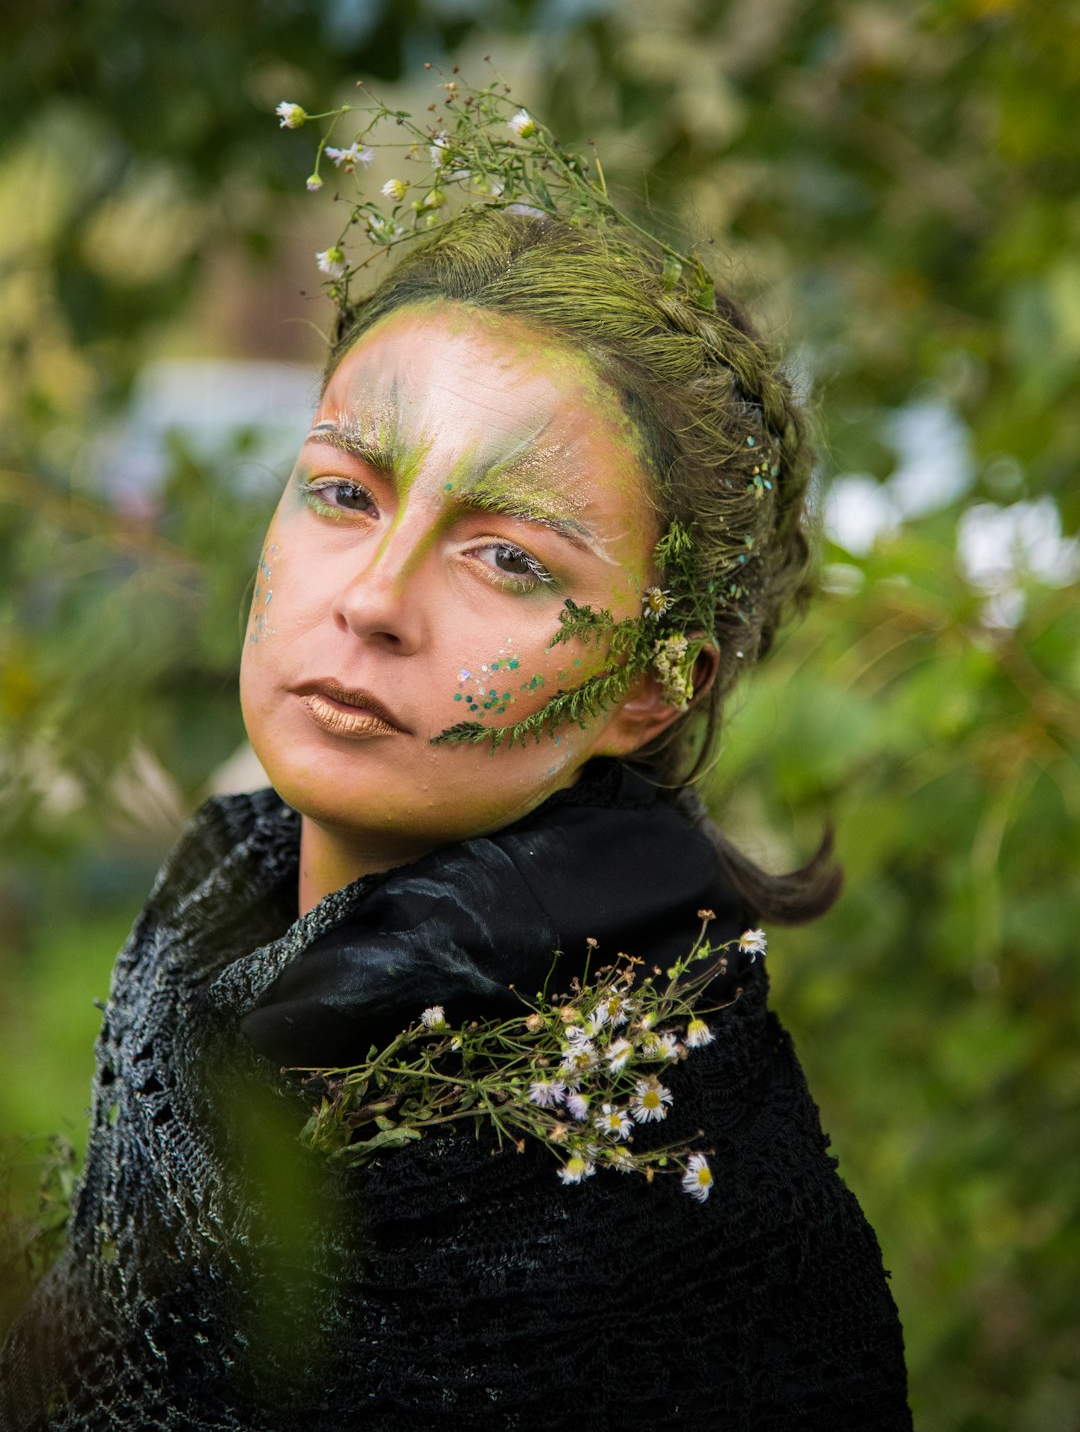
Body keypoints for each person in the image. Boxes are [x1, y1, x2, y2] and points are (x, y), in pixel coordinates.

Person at [0, 168, 912, 1428]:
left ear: (654, 685)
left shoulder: (653, 1158)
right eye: (343, 491)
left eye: (508, 557)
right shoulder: (209, 920)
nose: (373, 597)